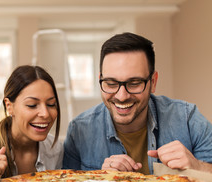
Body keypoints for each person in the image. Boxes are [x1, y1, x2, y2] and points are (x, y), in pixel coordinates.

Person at [63, 32, 212, 174]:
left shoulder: (188, 118)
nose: (122, 96)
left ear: (153, 82)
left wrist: (197, 167)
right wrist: (99, 181)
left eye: (134, 83)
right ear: (100, 80)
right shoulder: (78, 131)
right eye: (111, 83)